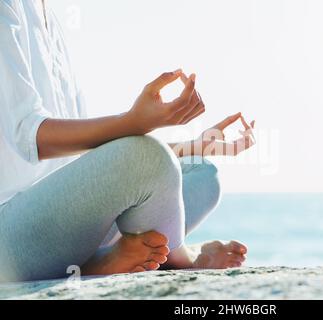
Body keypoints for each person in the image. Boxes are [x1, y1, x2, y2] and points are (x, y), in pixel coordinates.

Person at [0, 0, 256, 282]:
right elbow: (30, 136)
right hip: (12, 236)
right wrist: (133, 121)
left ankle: (108, 258)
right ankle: (179, 256)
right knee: (148, 157)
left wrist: (194, 146)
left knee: (202, 172)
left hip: (65, 224)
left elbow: (85, 159)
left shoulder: (49, 18)